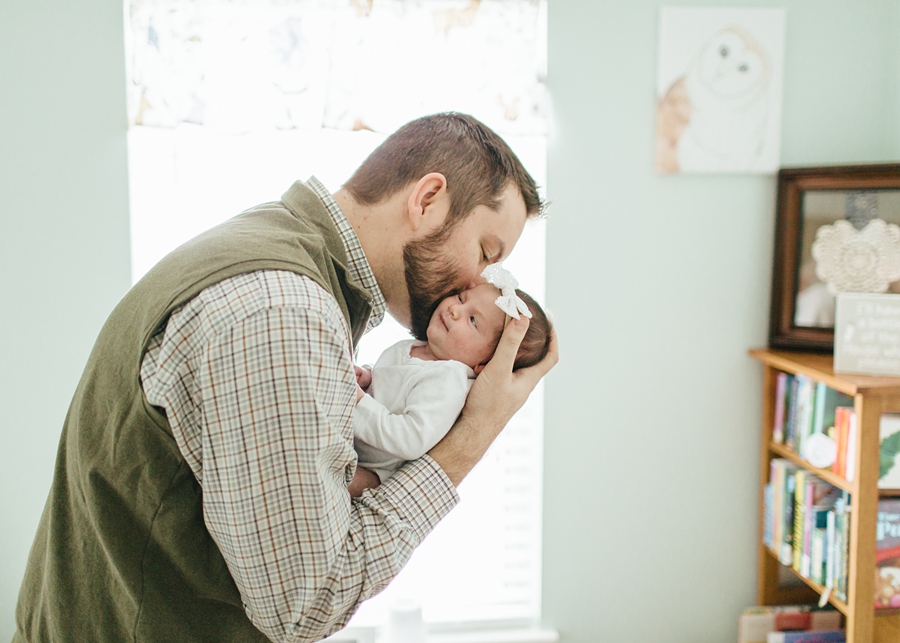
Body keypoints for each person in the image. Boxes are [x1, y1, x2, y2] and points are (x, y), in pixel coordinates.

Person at [13, 112, 558, 643]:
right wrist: (473, 436)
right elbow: (305, 606)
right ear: (427, 200)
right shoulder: (282, 311)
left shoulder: (267, 247)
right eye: (485, 254)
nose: (477, 284)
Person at [350, 265, 552, 494]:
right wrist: (368, 378)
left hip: (373, 469)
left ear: (486, 365)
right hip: (355, 438)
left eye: (473, 320)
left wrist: (359, 402)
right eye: (461, 298)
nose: (455, 309)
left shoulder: (448, 379)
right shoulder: (421, 348)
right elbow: (393, 385)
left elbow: (411, 437)